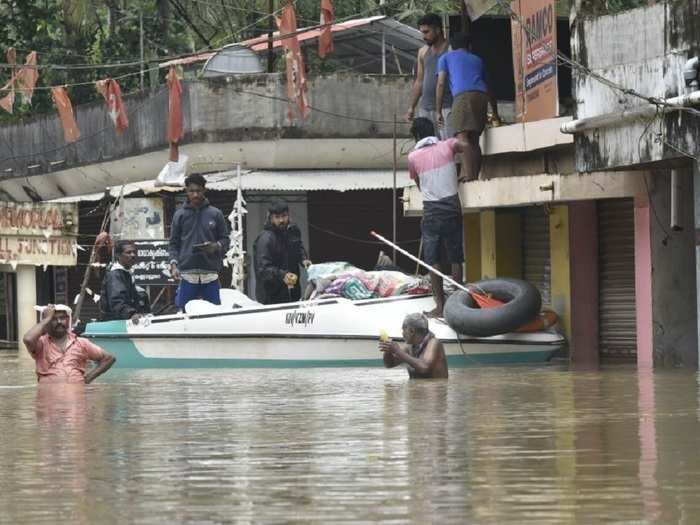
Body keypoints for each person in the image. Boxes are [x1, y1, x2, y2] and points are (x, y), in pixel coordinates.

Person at [408, 117, 469, 318]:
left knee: (433, 260)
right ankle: (459, 306)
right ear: (433, 131)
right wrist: (466, 171)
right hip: (452, 207)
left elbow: (419, 184)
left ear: (416, 136)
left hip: (432, 210)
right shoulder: (448, 145)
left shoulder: (413, 157)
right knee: (456, 258)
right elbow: (465, 145)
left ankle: (440, 307)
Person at [436, 32, 500, 182]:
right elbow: (489, 87)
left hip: (463, 96)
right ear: (469, 46)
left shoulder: (445, 58)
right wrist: (495, 112)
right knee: (474, 139)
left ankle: (471, 177)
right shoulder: (477, 59)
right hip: (481, 96)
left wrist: (438, 110)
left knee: (462, 137)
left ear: (451, 46)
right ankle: (474, 175)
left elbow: (440, 83)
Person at [169, 174, 230, 310]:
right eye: (191, 191)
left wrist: (215, 246)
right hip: (187, 275)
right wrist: (173, 265)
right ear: (186, 191)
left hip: (211, 275)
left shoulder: (216, 214)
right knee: (184, 314)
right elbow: (173, 243)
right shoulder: (179, 215)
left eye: (198, 191)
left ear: (204, 190)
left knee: (213, 315)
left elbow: (225, 240)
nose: (195, 194)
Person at [23, 304, 116, 384]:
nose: (59, 322)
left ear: (68, 320)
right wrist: (47, 318)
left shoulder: (81, 343)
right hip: (49, 400)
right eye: (54, 319)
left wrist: (87, 379)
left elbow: (109, 359)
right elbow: (28, 339)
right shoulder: (41, 344)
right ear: (47, 322)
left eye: (62, 318)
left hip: (76, 399)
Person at [253, 200, 311, 304]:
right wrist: (283, 275)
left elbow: (298, 246)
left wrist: (304, 259)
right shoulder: (265, 238)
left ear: (288, 216)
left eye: (284, 216)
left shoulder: (293, 231)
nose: (281, 220)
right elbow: (263, 269)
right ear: (271, 218)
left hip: (293, 293)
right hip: (272, 297)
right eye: (277, 217)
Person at [405, 13, 453, 139]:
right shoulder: (422, 52)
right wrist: (412, 107)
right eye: (422, 32)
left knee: (448, 146)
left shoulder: (451, 50)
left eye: (426, 32)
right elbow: (419, 81)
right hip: (425, 108)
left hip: (447, 107)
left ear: (438, 30)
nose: (423, 36)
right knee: (428, 146)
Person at [379, 313, 448, 379]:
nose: (402, 333)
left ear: (412, 331)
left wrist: (397, 351)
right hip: (418, 389)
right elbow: (390, 364)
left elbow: (425, 367)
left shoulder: (434, 343)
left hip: (435, 389)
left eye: (403, 330)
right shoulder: (409, 346)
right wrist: (388, 351)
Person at [100, 240, 150, 323]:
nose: (133, 255)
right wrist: (131, 314)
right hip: (115, 325)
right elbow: (117, 301)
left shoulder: (126, 273)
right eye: (128, 252)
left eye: (134, 252)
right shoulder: (115, 275)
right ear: (118, 255)